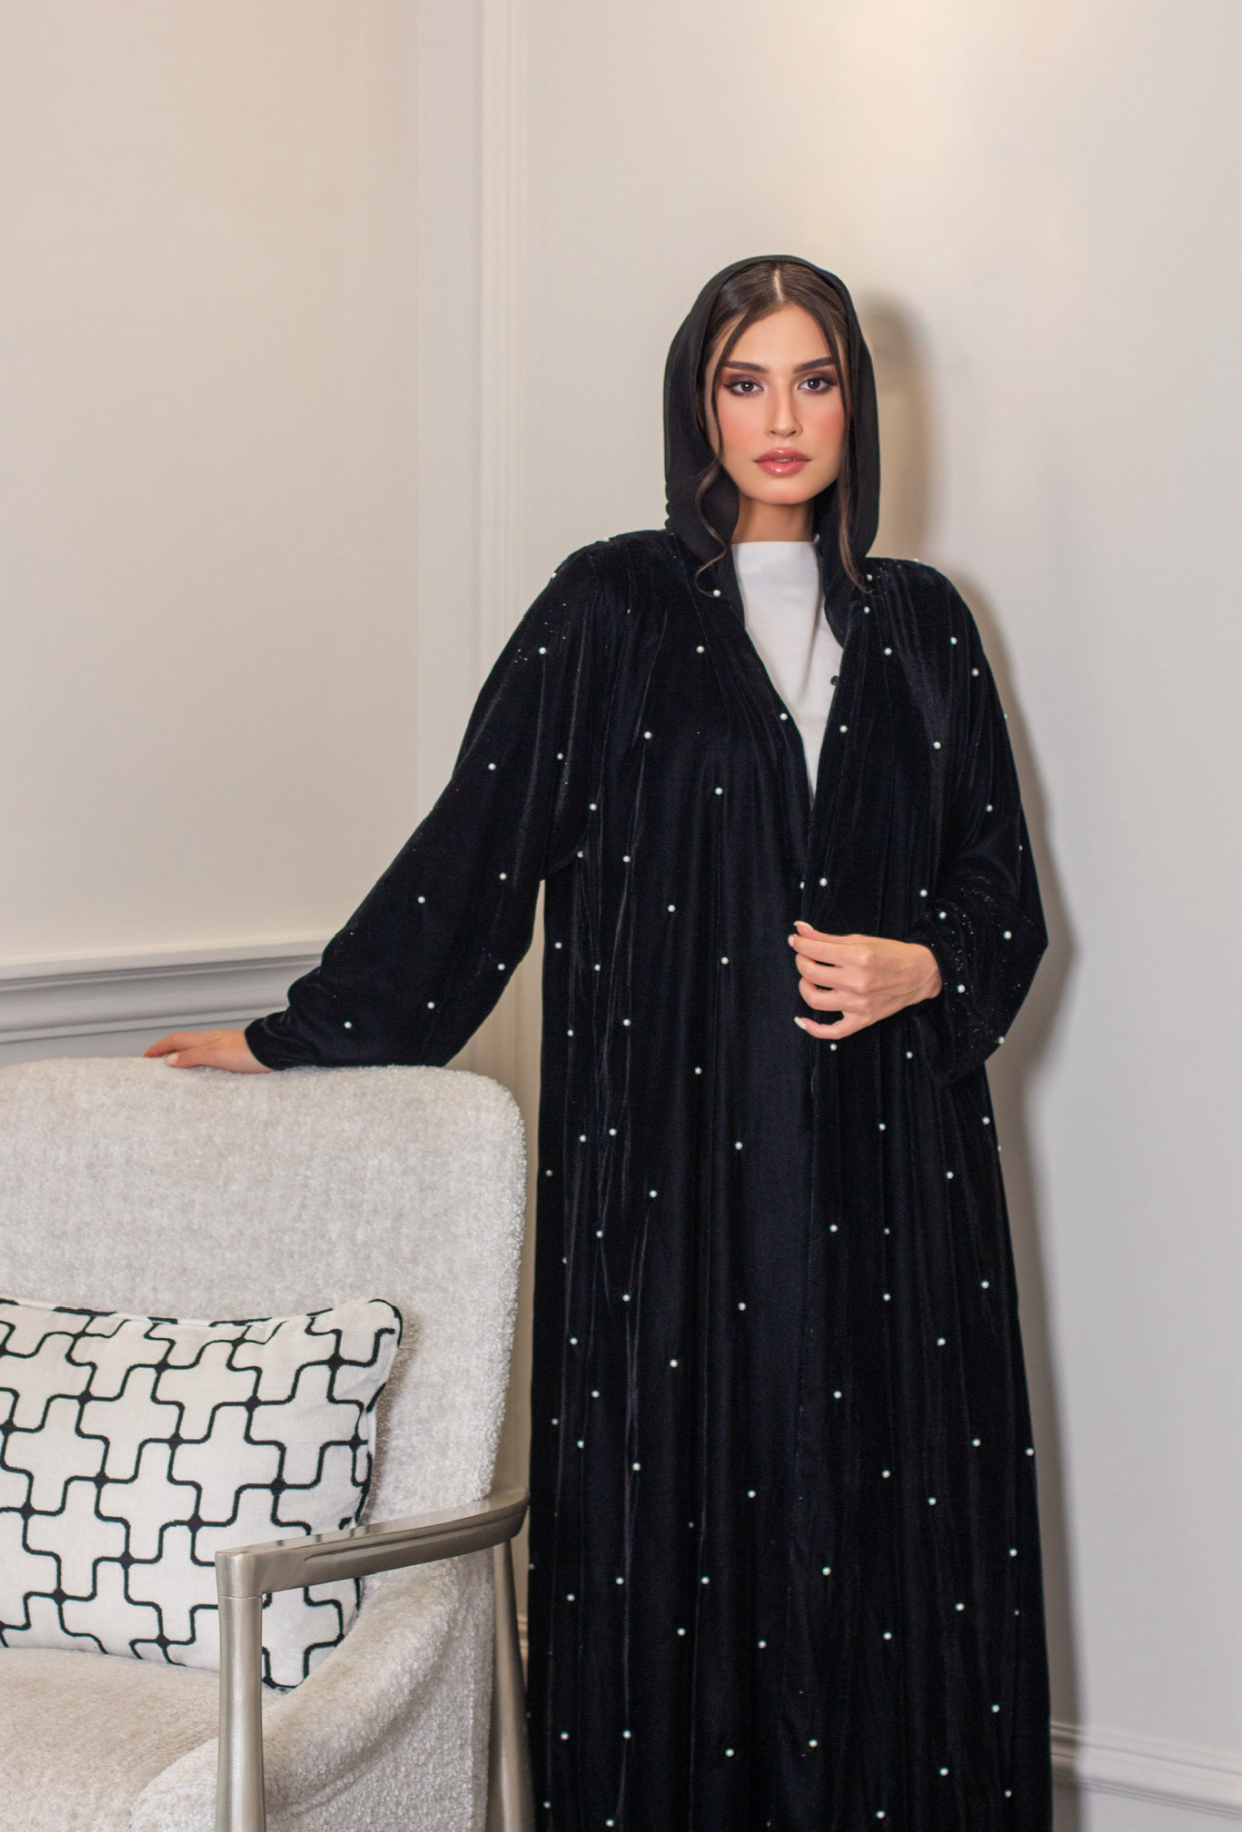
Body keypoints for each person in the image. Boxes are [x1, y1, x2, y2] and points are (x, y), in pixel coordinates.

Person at [149, 255, 1052, 1830]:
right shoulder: (611, 610)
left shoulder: (923, 624)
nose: (782, 418)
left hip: (894, 1184)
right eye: (745, 382)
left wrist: (924, 966)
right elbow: (477, 854)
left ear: (856, 402)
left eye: (815, 380)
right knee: (685, 1512)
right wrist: (295, 1036)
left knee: (887, 1530)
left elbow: (1002, 894)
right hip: (677, 1186)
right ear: (697, 405)